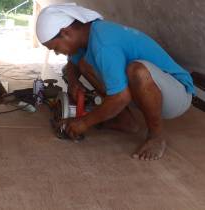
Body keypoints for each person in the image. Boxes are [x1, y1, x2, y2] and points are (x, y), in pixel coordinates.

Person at [36, 3, 195, 161]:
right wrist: (72, 82)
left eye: (55, 47)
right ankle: (124, 119)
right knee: (85, 65)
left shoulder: (103, 43)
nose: (57, 53)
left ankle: (156, 136)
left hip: (177, 94)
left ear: (66, 32)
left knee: (137, 71)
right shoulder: (87, 39)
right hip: (145, 93)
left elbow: (121, 97)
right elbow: (73, 64)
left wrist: (84, 122)